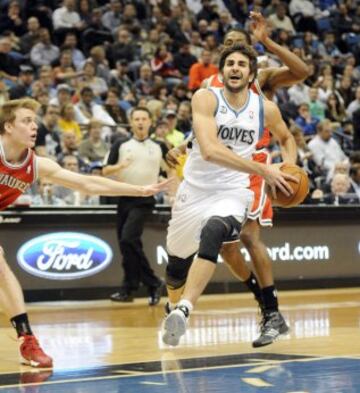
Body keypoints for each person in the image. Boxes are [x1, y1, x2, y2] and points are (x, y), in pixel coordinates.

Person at [165, 12, 309, 347]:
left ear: (249, 56)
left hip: (254, 166)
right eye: (228, 46)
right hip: (213, 170)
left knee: (246, 236)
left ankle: (270, 311)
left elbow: (303, 73)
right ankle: (266, 306)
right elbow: (207, 135)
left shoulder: (262, 80)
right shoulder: (210, 90)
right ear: (221, 56)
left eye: (240, 45)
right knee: (227, 250)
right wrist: (182, 147)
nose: (234, 49)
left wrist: (287, 170)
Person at [0, 98, 171, 368]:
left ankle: (27, 339)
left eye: (35, 120)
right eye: (26, 121)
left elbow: (87, 183)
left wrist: (139, 190)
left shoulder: (35, 165)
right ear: (8, 127)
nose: (35, 126)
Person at [103, 107, 168, 306]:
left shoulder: (159, 146)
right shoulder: (121, 144)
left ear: (150, 122)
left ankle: (149, 283)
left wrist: (173, 187)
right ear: (131, 123)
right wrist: (121, 166)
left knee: (128, 238)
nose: (140, 122)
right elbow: (105, 171)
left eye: (144, 118)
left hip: (144, 199)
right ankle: (134, 287)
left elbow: (170, 170)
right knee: (127, 244)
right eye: (137, 119)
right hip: (123, 197)